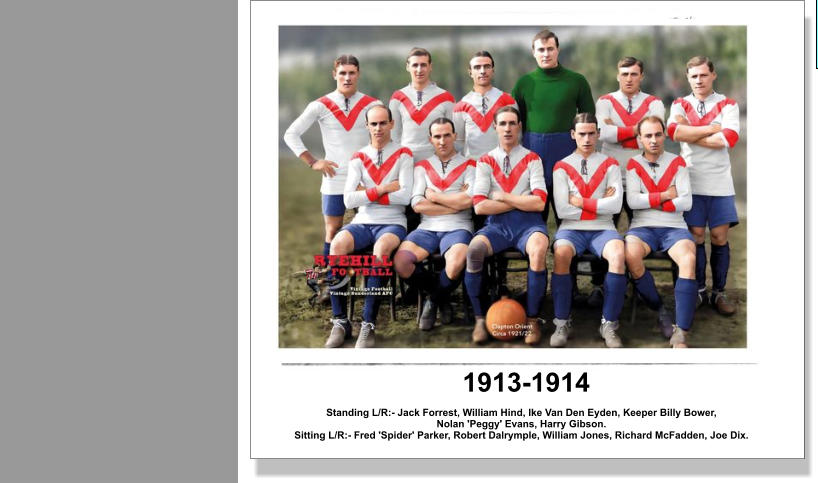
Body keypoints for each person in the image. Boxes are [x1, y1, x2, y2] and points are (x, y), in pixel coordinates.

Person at [324, 105, 414, 348]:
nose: (378, 128)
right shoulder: (358, 157)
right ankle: (340, 321)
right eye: (373, 124)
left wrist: (367, 193)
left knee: (382, 250)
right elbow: (348, 199)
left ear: (392, 124)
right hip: (363, 221)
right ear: (367, 126)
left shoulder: (404, 154)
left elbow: (405, 197)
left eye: (383, 123)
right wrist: (384, 189)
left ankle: (368, 324)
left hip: (393, 222)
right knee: (337, 246)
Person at [464, 106, 549, 346]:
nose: (508, 128)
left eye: (513, 123)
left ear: (519, 126)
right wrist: (521, 201)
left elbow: (540, 203)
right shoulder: (485, 161)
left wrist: (501, 196)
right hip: (496, 226)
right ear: (495, 127)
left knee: (539, 249)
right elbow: (480, 206)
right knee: (473, 251)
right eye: (503, 124)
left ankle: (532, 319)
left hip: (529, 226)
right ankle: (481, 319)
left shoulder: (533, 158)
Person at [587, 56, 667, 307]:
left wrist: (618, 131)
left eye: (633, 74)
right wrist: (638, 131)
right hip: (609, 177)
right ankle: (599, 285)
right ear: (617, 75)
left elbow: (650, 136)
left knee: (640, 233)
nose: (628, 78)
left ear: (641, 76)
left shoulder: (654, 102)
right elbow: (605, 133)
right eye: (624, 73)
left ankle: (636, 283)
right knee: (602, 231)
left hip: (642, 179)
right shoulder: (605, 101)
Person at [283, 55, 379, 261]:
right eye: (342, 73)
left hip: (367, 178)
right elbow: (290, 134)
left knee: (374, 226)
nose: (347, 77)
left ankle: (369, 279)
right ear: (334, 74)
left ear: (358, 74)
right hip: (334, 177)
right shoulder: (320, 105)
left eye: (352, 73)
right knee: (333, 230)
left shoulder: (373, 104)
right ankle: (330, 283)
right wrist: (313, 161)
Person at [667, 56, 740, 316]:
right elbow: (673, 132)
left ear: (713, 75)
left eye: (703, 75)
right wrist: (711, 129)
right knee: (696, 236)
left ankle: (718, 292)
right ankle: (697, 290)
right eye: (694, 76)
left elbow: (728, 138)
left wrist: (692, 132)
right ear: (688, 78)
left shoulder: (728, 104)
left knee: (720, 237)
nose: (699, 80)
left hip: (720, 182)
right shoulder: (679, 103)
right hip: (691, 180)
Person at [551, 113, 626, 348]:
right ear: (573, 135)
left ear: (598, 134)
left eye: (591, 133)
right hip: (571, 229)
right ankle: (562, 322)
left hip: (604, 228)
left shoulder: (610, 164)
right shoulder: (561, 166)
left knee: (618, 254)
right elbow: (563, 210)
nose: (586, 138)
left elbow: (614, 206)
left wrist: (581, 202)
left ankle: (609, 324)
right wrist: (598, 204)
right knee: (561, 254)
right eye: (581, 133)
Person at [393, 118, 474, 330]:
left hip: (459, 227)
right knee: (401, 262)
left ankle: (433, 300)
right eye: (437, 136)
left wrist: (434, 196)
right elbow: (418, 204)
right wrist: (454, 202)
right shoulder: (422, 167)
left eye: (447, 135)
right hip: (427, 228)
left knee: (456, 263)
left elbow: (469, 201)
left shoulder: (471, 164)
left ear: (455, 136)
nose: (442, 141)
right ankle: (441, 295)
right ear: (430, 139)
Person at [624, 116, 698, 348]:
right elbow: (633, 202)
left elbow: (686, 203)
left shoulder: (677, 163)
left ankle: (681, 331)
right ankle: (659, 308)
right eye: (648, 135)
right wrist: (666, 196)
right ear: (639, 139)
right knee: (630, 255)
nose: (653, 140)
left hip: (674, 227)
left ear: (664, 135)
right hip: (642, 227)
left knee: (688, 257)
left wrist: (651, 201)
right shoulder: (633, 165)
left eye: (657, 134)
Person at [511, 29, 595, 224]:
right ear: (533, 52)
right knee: (534, 212)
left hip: (566, 151)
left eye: (550, 49)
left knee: (567, 210)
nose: (546, 54)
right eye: (541, 50)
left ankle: (567, 248)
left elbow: (589, 118)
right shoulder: (524, 83)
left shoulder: (576, 81)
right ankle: (535, 248)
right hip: (533, 152)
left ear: (558, 50)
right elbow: (515, 121)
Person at [389, 47, 455, 163]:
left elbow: (454, 137)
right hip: (407, 162)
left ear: (430, 67)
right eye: (415, 65)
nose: (419, 70)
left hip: (436, 162)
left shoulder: (446, 97)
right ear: (407, 67)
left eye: (423, 65)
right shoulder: (397, 98)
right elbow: (394, 137)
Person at [453, 51, 517, 158]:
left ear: (493, 70)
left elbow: (517, 137)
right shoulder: (461, 106)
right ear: (470, 72)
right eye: (477, 67)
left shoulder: (507, 100)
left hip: (503, 165)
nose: (482, 71)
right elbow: (458, 143)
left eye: (487, 66)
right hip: (473, 168)